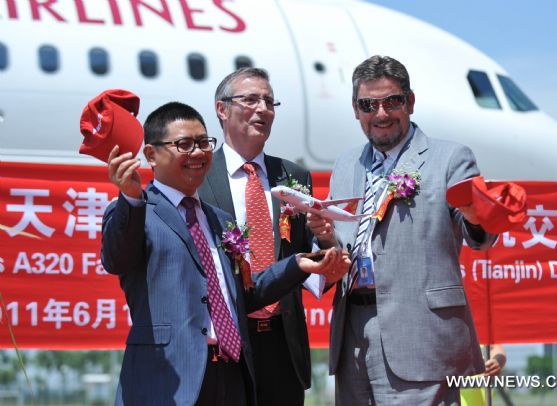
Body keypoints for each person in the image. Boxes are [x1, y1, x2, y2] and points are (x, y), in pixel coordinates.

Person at [101, 101, 344, 405]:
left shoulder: (219, 220)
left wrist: (297, 265)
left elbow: (244, 294)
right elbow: (116, 258)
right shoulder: (138, 211)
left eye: (203, 143)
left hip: (231, 376)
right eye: (184, 145)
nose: (199, 153)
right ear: (151, 154)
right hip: (169, 380)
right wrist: (130, 198)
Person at [307, 55, 498, 404]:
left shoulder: (450, 158)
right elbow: (342, 243)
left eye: (392, 101)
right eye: (369, 104)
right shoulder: (347, 164)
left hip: (422, 334)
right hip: (353, 332)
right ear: (356, 109)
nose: (380, 114)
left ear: (410, 102)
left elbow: (479, 235)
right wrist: (324, 235)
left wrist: (475, 214)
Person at [198, 67, 327, 406]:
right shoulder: (199, 175)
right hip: (223, 345)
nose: (263, 109)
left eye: (269, 102)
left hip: (283, 345)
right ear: (221, 109)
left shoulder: (294, 176)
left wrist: (326, 242)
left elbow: (305, 257)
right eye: (251, 100)